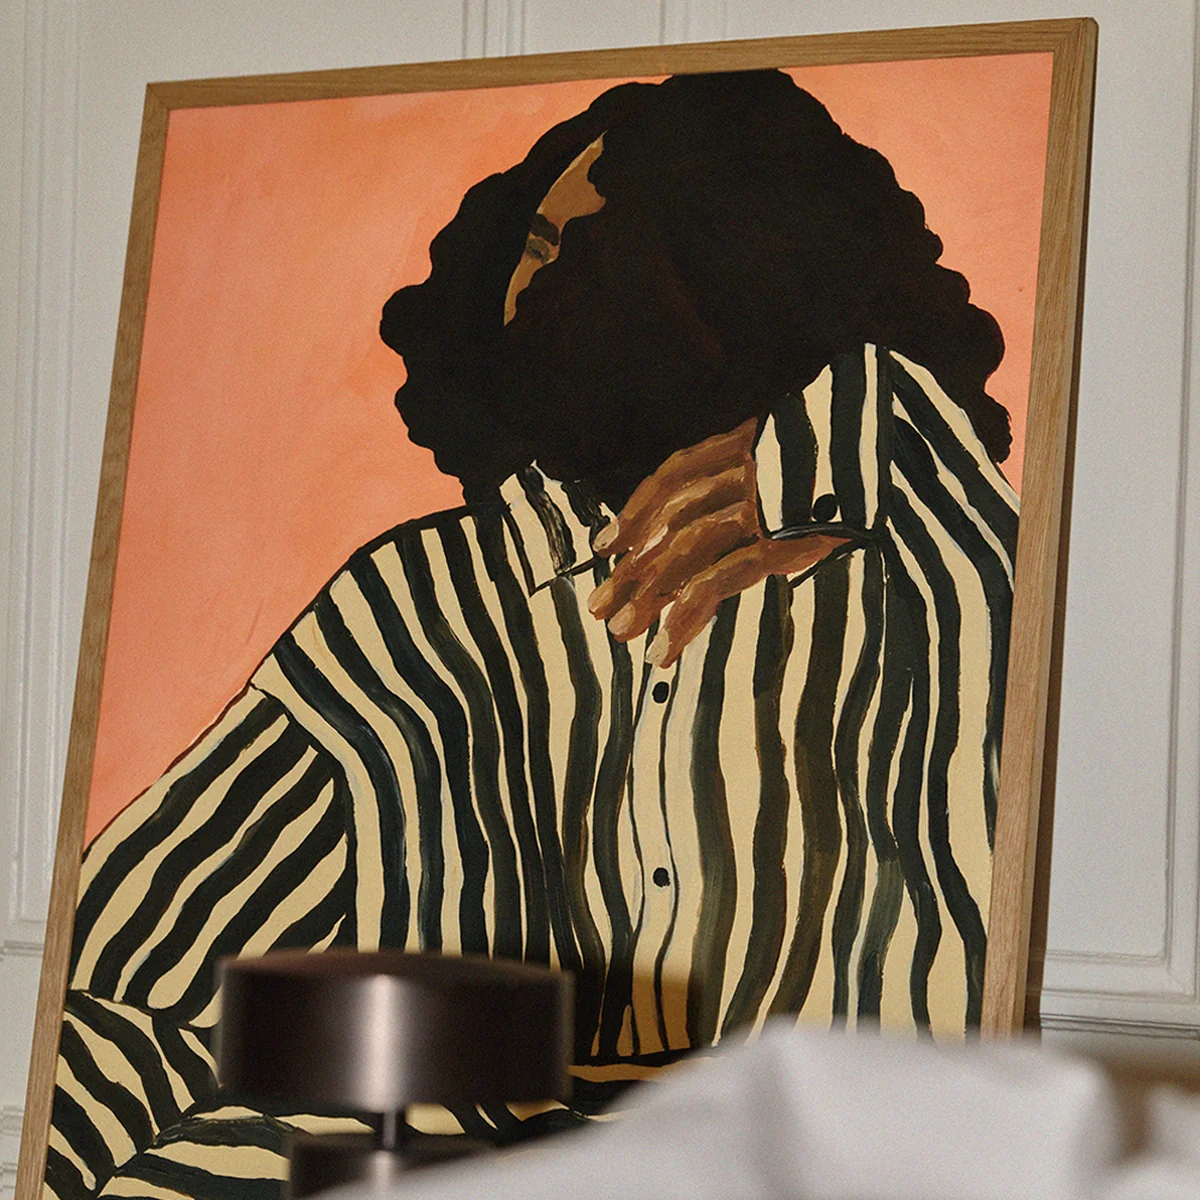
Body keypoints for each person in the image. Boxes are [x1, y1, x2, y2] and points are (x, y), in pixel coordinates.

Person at [46, 69, 1018, 1200]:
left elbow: (996, 556)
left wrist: (820, 464)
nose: (520, 290)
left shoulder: (927, 571)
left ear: (733, 258)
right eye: (526, 246)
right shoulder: (427, 607)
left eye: (577, 244)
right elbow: (127, 987)